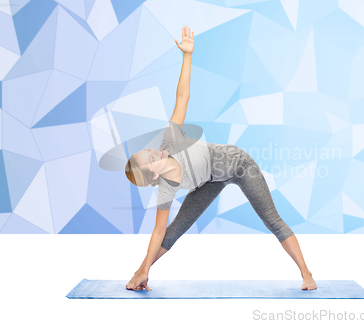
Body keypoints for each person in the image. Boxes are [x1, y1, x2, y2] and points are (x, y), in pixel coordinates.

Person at [125, 26, 317, 292]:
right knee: (174, 231)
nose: (153, 151)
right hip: (209, 182)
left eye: (147, 150)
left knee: (271, 219)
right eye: (149, 158)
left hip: (238, 165)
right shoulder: (165, 189)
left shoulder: (171, 140)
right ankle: (140, 272)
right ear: (154, 176)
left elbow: (183, 97)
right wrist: (145, 270)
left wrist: (187, 56)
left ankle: (307, 274)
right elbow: (159, 232)